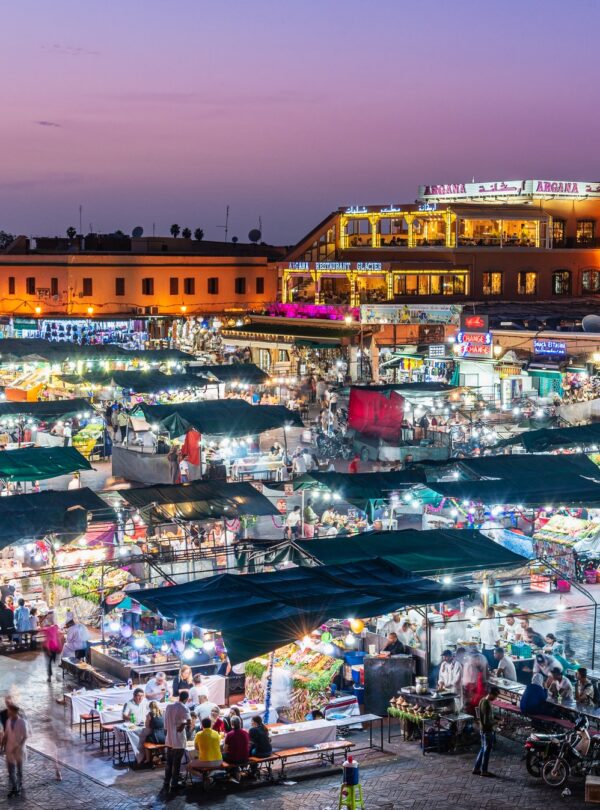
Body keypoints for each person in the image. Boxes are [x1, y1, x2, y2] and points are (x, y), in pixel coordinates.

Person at [163, 690, 191, 794]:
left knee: (169, 762)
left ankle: (166, 781)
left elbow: (165, 725)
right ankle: (174, 784)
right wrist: (183, 724)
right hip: (178, 740)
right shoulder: (184, 707)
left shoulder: (169, 707)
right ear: (186, 699)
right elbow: (189, 721)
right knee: (177, 763)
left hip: (169, 739)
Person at [1, 701, 28, 798]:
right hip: (9, 749)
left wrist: (19, 747)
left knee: (19, 770)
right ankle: (15, 788)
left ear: (14, 711)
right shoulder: (8, 721)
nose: (8, 712)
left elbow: (25, 736)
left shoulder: (22, 722)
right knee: (11, 770)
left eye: (9, 711)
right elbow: (6, 733)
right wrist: (2, 744)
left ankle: (19, 785)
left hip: (19, 750)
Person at [473, 686, 499, 777]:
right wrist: (497, 722)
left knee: (483, 748)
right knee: (487, 751)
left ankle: (476, 768)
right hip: (487, 730)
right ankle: (484, 771)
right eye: (495, 696)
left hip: (482, 729)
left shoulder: (482, 700)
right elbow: (486, 722)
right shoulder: (487, 704)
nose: (496, 698)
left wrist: (496, 718)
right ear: (491, 694)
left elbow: (484, 716)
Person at [41, 611, 62, 682]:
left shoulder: (50, 628)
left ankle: (50, 676)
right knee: (52, 662)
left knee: (50, 662)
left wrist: (59, 646)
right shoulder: (53, 628)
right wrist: (59, 646)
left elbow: (56, 638)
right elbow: (56, 638)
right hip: (51, 648)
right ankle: (51, 676)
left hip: (51, 648)